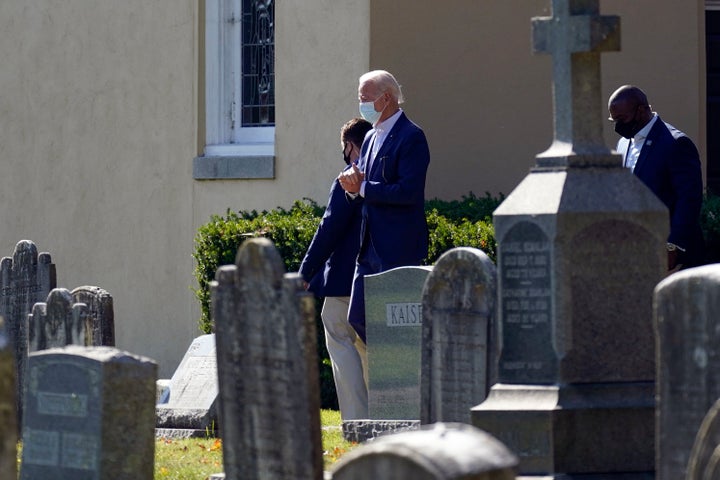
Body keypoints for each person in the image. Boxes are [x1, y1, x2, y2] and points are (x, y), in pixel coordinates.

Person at [338, 69, 431, 345]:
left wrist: (363, 188)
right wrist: (351, 186)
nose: (362, 105)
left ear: (387, 98)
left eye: (365, 98)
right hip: (368, 247)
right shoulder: (369, 137)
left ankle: (402, 379)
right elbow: (361, 181)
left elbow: (408, 191)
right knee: (358, 317)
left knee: (397, 325)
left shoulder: (411, 136)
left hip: (397, 246)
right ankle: (390, 371)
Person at [299, 117, 373, 420]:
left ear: (350, 145)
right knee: (368, 348)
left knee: (339, 336)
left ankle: (356, 419)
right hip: (378, 273)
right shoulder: (381, 176)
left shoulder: (348, 178)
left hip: (345, 278)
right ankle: (382, 418)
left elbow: (329, 228)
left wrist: (305, 272)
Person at [608, 85, 704, 271]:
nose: (618, 126)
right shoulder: (623, 143)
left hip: (668, 254)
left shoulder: (675, 143)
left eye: (622, 118)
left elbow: (689, 199)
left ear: (642, 110)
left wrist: (673, 245)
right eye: (614, 120)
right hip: (633, 248)